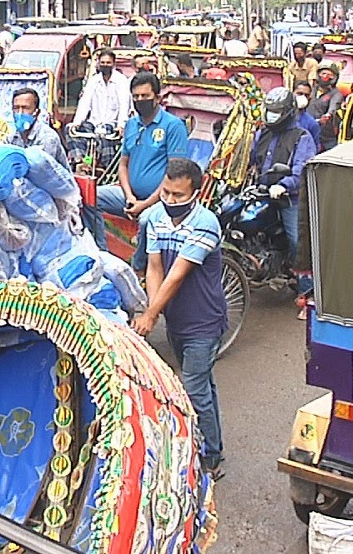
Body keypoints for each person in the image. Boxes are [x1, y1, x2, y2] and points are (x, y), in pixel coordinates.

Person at [130, 158, 226, 479]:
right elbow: (155, 267)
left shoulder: (206, 223)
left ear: (196, 193)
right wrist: (154, 310)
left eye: (178, 196)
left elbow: (176, 276)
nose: (170, 201)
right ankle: (211, 441)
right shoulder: (155, 217)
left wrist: (151, 312)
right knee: (203, 385)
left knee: (195, 387)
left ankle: (211, 456)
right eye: (167, 193)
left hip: (204, 321)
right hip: (176, 319)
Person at [95, 72, 189, 269]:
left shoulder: (173, 126)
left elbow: (175, 173)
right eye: (136, 97)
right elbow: (123, 164)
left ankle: (138, 268)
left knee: (147, 220)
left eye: (145, 96)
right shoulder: (131, 124)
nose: (140, 100)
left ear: (157, 97)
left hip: (163, 198)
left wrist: (144, 204)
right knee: (88, 196)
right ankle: (100, 252)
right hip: (130, 194)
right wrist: (130, 197)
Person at [250, 87, 316, 258]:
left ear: (287, 112)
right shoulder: (262, 133)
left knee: (297, 242)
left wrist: (283, 186)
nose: (272, 115)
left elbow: (301, 170)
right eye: (270, 111)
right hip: (261, 193)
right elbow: (251, 160)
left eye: (277, 112)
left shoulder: (302, 137)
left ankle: (305, 281)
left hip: (289, 199)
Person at [6, 87, 69, 170]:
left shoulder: (47, 137)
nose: (20, 113)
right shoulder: (12, 136)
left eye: (26, 108)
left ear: (37, 112)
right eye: (16, 108)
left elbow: (41, 171)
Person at [72, 49, 131, 130]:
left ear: (113, 64)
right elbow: (84, 103)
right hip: (93, 123)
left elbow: (124, 104)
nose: (105, 65)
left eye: (108, 63)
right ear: (98, 63)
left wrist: (121, 126)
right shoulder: (93, 80)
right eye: (102, 62)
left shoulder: (121, 80)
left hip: (112, 124)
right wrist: (76, 123)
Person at [307, 64, 345, 150]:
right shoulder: (312, 89)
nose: (325, 76)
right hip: (308, 130)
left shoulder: (336, 94)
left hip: (326, 135)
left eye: (329, 75)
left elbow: (333, 108)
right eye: (323, 73)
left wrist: (326, 116)